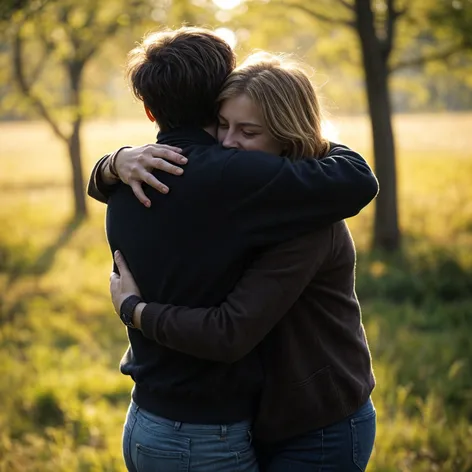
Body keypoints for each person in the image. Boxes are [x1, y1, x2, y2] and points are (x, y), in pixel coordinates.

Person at [88, 28, 378, 471]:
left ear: (148, 109)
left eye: (247, 130)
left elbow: (229, 330)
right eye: (225, 126)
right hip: (220, 431)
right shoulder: (246, 182)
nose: (228, 142)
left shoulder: (128, 183)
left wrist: (110, 164)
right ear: (216, 100)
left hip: (168, 420)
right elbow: (356, 178)